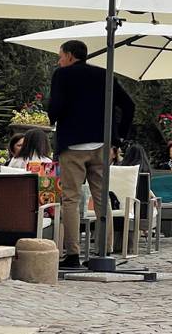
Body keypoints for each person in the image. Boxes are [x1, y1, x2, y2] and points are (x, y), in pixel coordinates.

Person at [48, 39, 135, 268]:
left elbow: (55, 106)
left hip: (73, 145)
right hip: (102, 145)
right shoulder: (103, 75)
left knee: (71, 198)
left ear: (69, 55)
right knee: (101, 196)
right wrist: (120, 137)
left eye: (60, 55)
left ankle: (73, 254)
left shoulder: (62, 75)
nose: (59, 60)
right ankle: (103, 252)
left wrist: (54, 117)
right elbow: (129, 105)